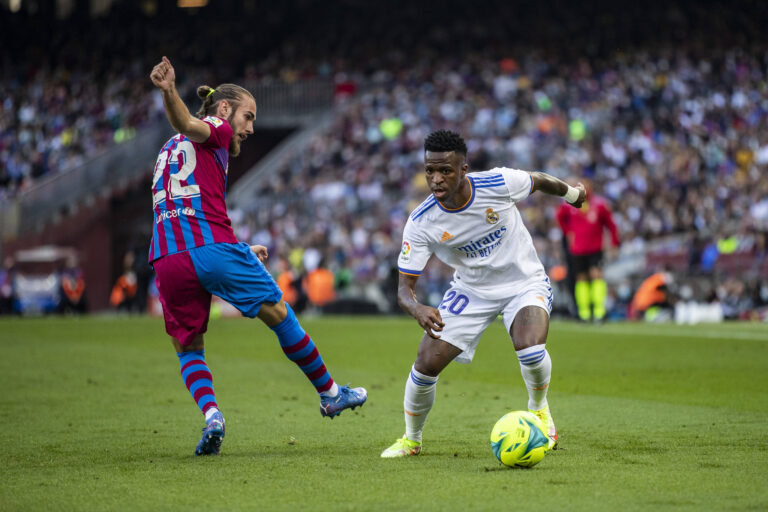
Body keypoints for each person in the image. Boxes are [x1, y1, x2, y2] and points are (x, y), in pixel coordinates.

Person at [148, 57, 366, 456]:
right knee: (280, 314)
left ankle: (212, 415)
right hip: (210, 248)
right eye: (248, 116)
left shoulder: (167, 151)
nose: (250, 127)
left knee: (189, 347)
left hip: (167, 258)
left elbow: (187, 204)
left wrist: (239, 248)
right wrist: (168, 91)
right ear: (226, 109)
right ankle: (330, 393)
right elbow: (187, 123)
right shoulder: (215, 127)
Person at [381, 130, 585, 458]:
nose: (435, 179)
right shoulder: (421, 222)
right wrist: (418, 309)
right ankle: (411, 440)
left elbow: (541, 180)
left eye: (445, 170)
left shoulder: (498, 183)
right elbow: (404, 290)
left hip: (523, 281)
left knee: (530, 348)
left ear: (464, 169)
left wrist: (573, 194)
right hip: (472, 291)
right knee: (424, 365)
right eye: (429, 170)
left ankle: (539, 410)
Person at [555, 182, 619, 322]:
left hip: (595, 248)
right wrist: (568, 232)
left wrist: (614, 244)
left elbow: (611, 225)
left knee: (597, 275)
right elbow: (559, 217)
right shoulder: (569, 205)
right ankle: (584, 312)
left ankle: (598, 311)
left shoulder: (600, 205)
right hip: (578, 248)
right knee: (581, 278)